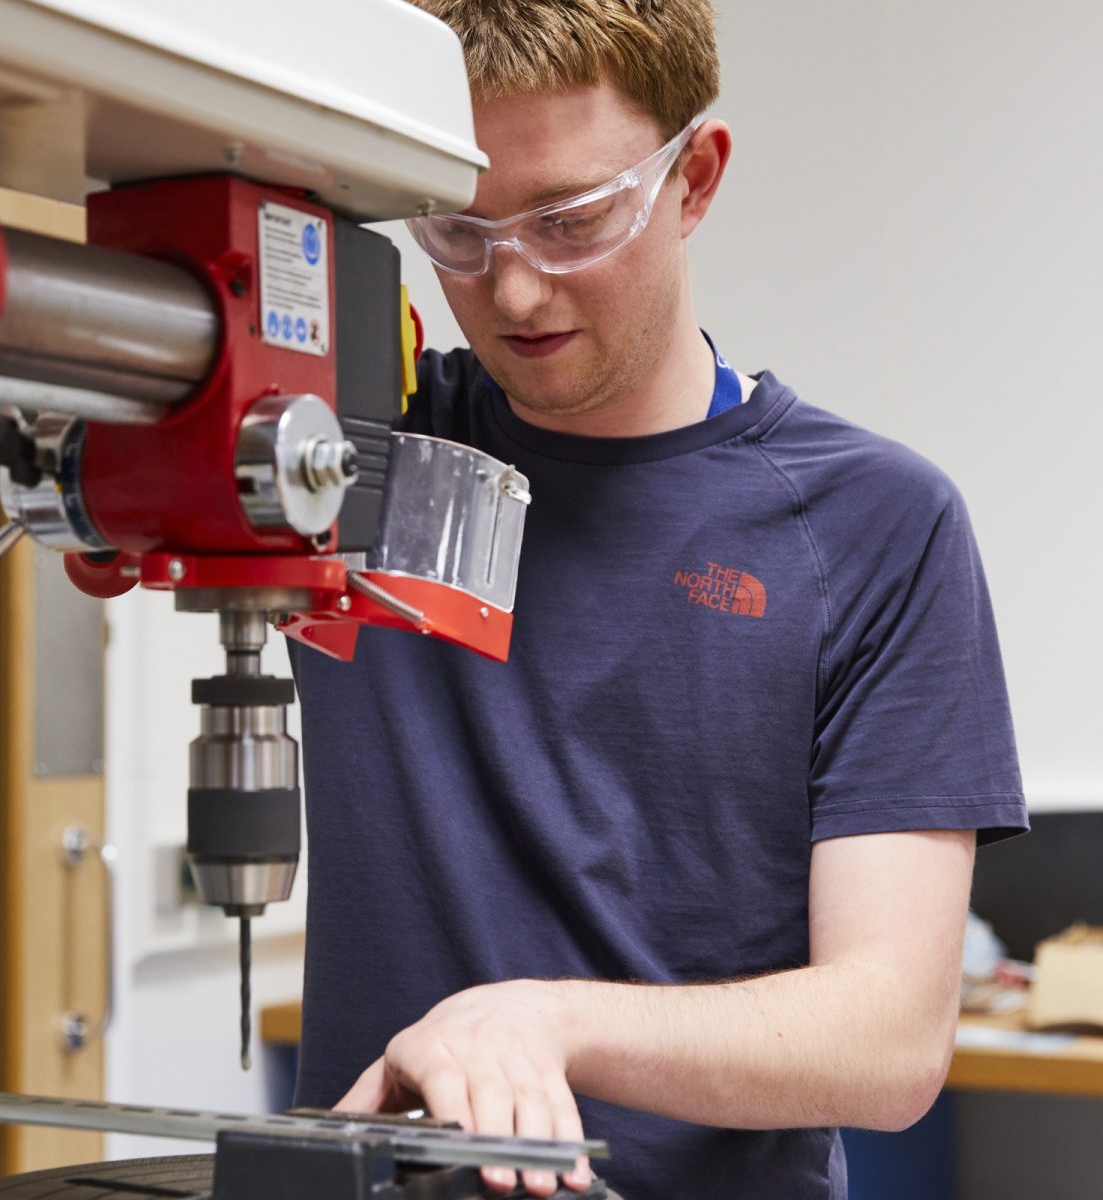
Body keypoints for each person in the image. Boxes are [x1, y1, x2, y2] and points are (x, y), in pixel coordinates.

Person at [287, 2, 1027, 1197]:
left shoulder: (874, 524)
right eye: (460, 233)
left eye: (572, 220)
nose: (516, 292)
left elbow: (889, 1043)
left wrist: (545, 1024)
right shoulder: (349, 455)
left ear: (695, 179)